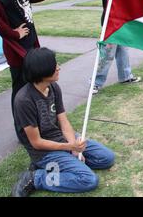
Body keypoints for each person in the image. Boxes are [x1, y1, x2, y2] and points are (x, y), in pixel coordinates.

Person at [11, 48, 115, 196]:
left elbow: (63, 120)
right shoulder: (24, 100)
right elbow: (36, 143)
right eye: (55, 65)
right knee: (88, 180)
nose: (59, 67)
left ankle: (67, 165)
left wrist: (74, 146)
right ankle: (35, 178)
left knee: (107, 158)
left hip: (62, 139)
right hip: (44, 152)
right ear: (42, 70)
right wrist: (69, 146)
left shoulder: (53, 87)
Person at [92, 0, 140, 94]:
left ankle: (125, 76)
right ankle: (95, 83)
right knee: (107, 54)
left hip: (118, 20)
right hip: (111, 21)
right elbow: (112, 2)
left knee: (122, 50)